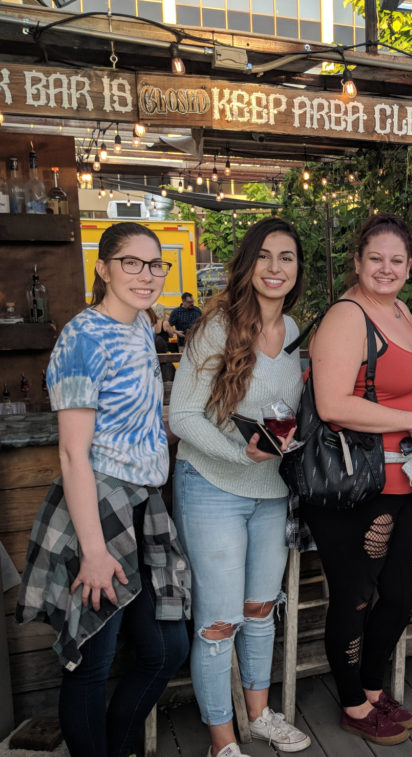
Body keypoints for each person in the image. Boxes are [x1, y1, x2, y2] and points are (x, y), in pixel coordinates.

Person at [17, 222, 190, 757]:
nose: (146, 275)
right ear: (103, 267)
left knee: (166, 650)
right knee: (92, 657)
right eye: (131, 263)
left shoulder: (142, 324)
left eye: (155, 264)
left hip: (143, 507)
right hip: (97, 505)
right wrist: (93, 551)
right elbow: (72, 454)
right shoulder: (82, 336)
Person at [169, 218, 311, 757]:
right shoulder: (217, 326)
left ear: (297, 270)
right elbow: (182, 414)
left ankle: (259, 716)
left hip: (271, 493)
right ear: (249, 264)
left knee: (259, 609)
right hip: (213, 486)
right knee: (218, 620)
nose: (276, 268)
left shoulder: (295, 331)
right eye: (266, 257)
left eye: (287, 258)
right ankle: (222, 741)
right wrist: (237, 452)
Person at [301, 212, 412, 746]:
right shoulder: (346, 316)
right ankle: (354, 705)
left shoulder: (400, 310)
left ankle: (374, 688)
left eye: (396, 260)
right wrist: (408, 420)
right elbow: (333, 404)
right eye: (374, 259)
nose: (385, 268)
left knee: (406, 592)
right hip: (357, 480)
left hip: (404, 479)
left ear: (409, 267)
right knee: (355, 596)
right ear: (357, 262)